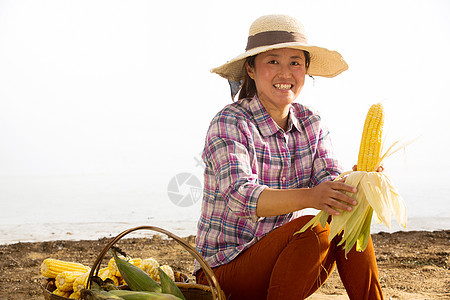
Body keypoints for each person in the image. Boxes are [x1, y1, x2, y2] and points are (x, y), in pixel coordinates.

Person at [194, 14, 384, 300]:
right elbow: (240, 196)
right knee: (314, 231)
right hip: (223, 273)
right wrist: (312, 196)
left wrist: (357, 182)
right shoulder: (230, 121)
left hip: (286, 267)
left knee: (346, 218)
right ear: (251, 69)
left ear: (306, 69)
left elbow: (329, 183)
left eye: (295, 62)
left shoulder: (311, 122)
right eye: (273, 61)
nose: (286, 73)